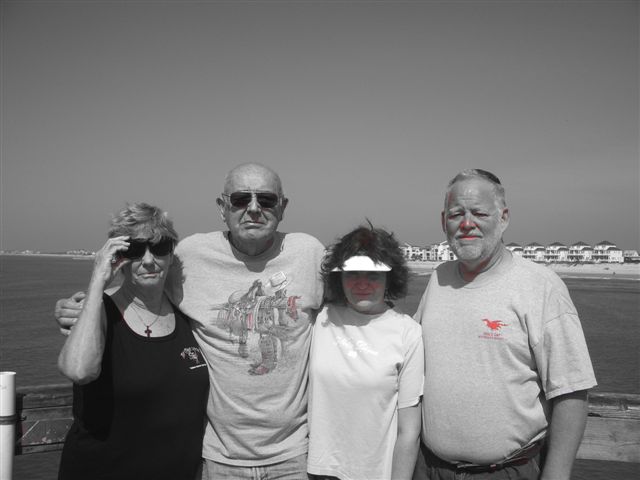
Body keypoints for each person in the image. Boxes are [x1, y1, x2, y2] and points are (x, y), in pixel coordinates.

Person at [55, 163, 326, 479]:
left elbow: (349, 309)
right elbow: (140, 286)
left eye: (265, 200)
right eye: (240, 199)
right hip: (218, 459)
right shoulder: (191, 255)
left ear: (282, 207)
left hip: (293, 456)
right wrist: (86, 305)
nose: (253, 209)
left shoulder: (309, 253)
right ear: (221, 208)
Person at [412, 169, 597, 480]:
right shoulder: (438, 278)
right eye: (457, 214)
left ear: (503, 218)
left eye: (479, 213)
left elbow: (572, 391)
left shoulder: (541, 286)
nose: (466, 224)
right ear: (444, 221)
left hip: (506, 471)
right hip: (428, 468)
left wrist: (557, 474)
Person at [57, 202, 209, 480]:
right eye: (135, 250)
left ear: (171, 253)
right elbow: (79, 369)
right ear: (118, 257)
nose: (149, 260)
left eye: (160, 247)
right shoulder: (99, 311)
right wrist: (97, 281)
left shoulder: (187, 314)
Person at [308, 224, 423, 480]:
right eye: (352, 274)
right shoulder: (321, 317)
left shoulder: (408, 332)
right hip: (316, 471)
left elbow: (409, 430)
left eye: (373, 275)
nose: (362, 283)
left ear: (389, 278)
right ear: (338, 278)